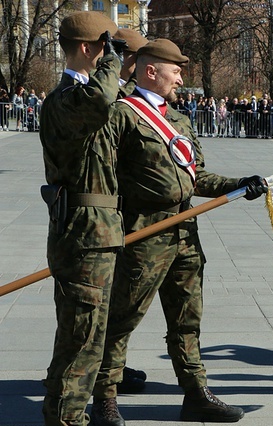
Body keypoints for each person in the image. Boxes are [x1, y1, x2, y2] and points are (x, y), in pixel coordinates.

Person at [90, 39, 267, 426]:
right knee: (121, 320)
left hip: (185, 233)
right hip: (143, 236)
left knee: (187, 318)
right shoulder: (121, 116)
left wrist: (239, 184)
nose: (181, 76)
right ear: (151, 71)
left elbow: (196, 176)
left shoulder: (179, 121)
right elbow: (102, 177)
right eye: (176, 69)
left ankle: (195, 393)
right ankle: (104, 398)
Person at [39, 11, 128, 426]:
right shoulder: (65, 100)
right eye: (106, 49)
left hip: (98, 234)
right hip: (82, 237)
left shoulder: (88, 95)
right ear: (91, 48)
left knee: (89, 341)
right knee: (79, 343)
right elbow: (99, 102)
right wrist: (111, 66)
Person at [112, 27, 150, 394]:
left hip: (125, 208)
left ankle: (116, 366)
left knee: (120, 298)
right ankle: (105, 371)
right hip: (119, 211)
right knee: (117, 302)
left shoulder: (127, 94)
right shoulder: (113, 96)